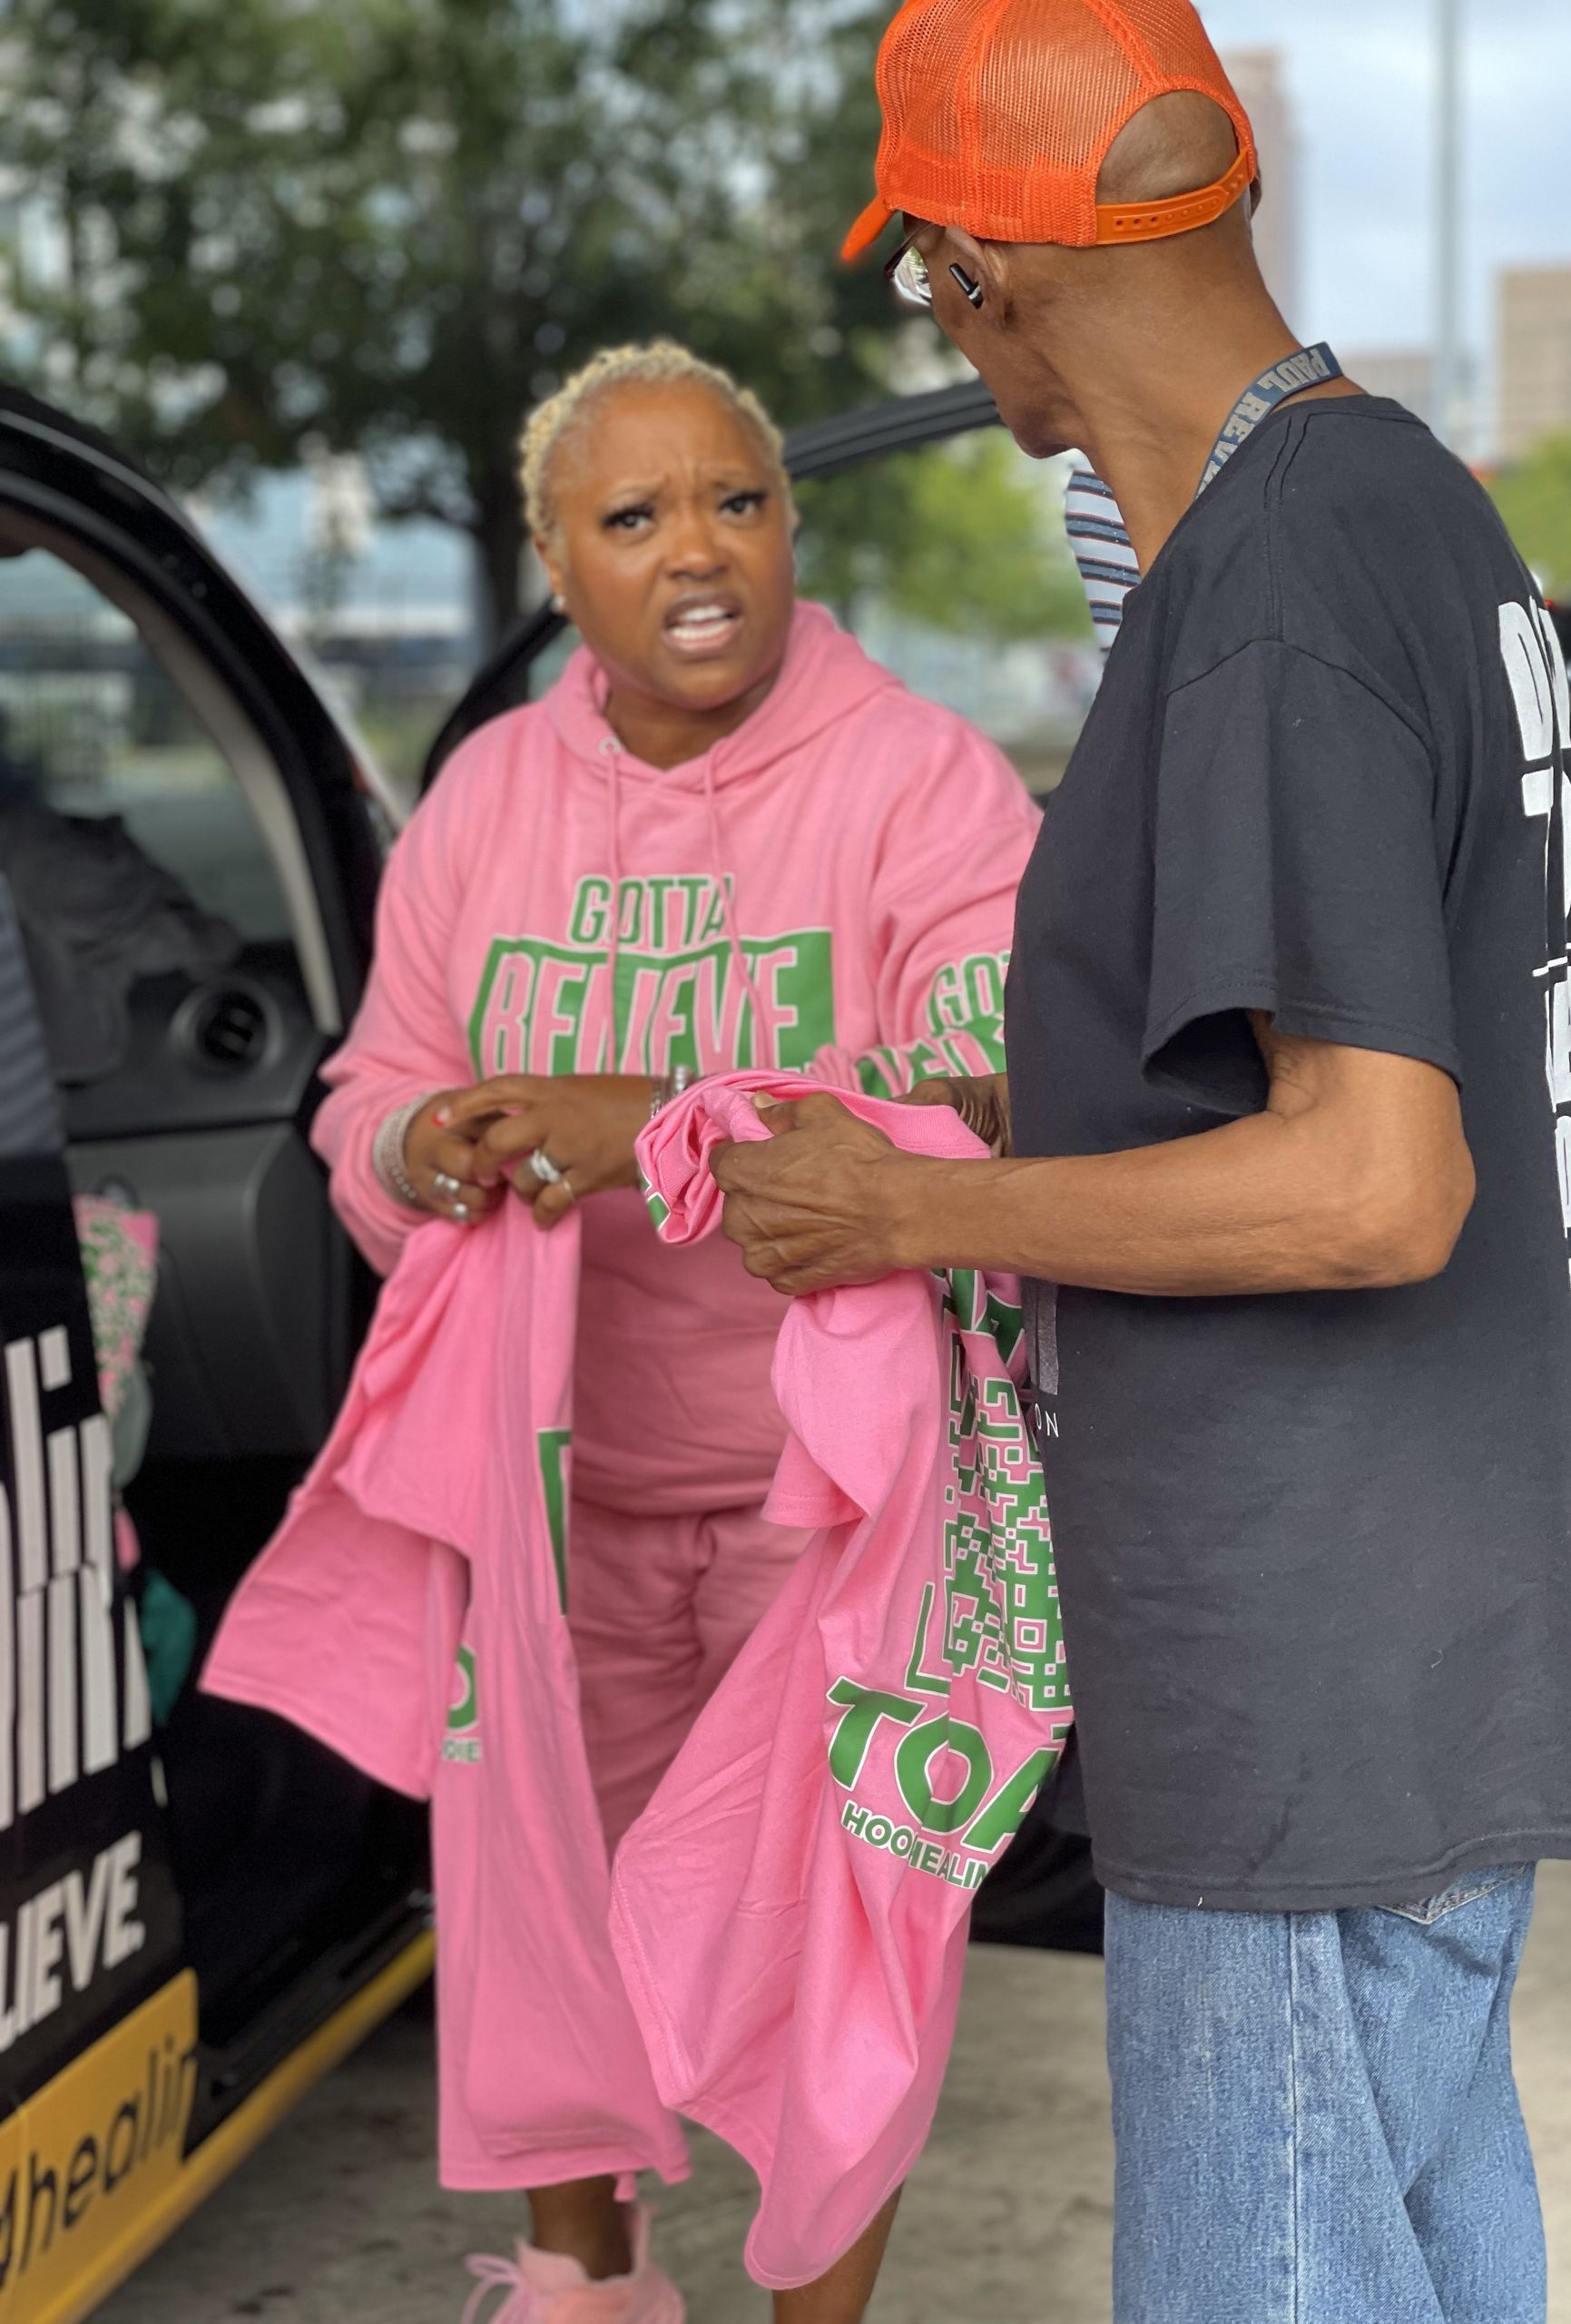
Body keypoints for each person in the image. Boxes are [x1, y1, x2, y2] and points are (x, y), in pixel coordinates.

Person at [710, 6, 1571, 2320]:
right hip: (1424, 1620)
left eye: (924, 282)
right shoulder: (1402, 501)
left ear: (978, 270)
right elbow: (1338, 1063)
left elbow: (1372, 1180)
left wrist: (911, 1207)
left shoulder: (1264, 591)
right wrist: (1015, 1116)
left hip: (1298, 1664)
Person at [310, 340, 1038, 2324]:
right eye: (634, 517)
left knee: (838, 1954)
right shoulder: (489, 798)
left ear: (792, 522)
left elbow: (985, 1080)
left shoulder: (916, 779)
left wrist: (637, 1126)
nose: (699, 549)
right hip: (563, 1500)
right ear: (558, 563)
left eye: (739, 498)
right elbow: (366, 1088)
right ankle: (587, 2293)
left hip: (834, 1518)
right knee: (542, 1919)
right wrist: (426, 1137)